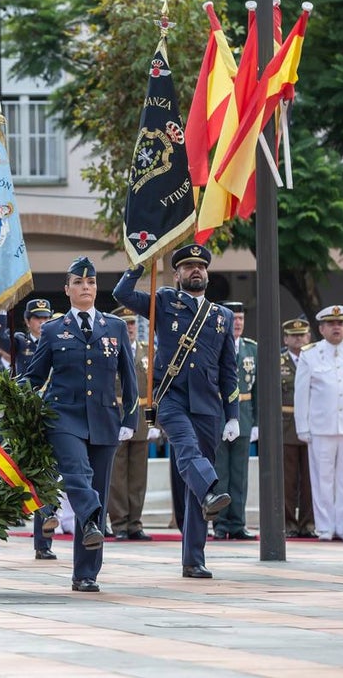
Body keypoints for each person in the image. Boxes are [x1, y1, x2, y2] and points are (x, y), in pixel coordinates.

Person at [114, 244, 235, 579]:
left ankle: (194, 559)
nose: (195, 270)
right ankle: (211, 487)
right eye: (187, 266)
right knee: (187, 450)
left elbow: (229, 371)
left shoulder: (220, 316)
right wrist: (141, 262)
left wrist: (234, 413)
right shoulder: (164, 301)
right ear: (178, 274)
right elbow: (122, 292)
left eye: (200, 266)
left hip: (209, 405)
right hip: (170, 397)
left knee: (194, 483)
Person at [23, 257, 136, 592]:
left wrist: (130, 418)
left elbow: (128, 378)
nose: (85, 288)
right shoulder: (53, 329)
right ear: (67, 289)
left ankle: (85, 574)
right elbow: (35, 376)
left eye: (90, 282)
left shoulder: (114, 326)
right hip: (63, 415)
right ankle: (90, 522)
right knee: (76, 474)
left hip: (104, 418)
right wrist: (8, 396)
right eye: (78, 282)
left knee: (96, 489)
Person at [294, 305, 343, 542]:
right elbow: (301, 393)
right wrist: (302, 426)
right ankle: (325, 527)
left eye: (340, 324)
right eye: (331, 324)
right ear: (321, 328)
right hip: (321, 425)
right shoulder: (310, 353)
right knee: (322, 479)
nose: (336, 328)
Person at [0, 298, 61, 555]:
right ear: (27, 321)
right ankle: (10, 512)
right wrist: (1, 308)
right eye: (37, 319)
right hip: (26, 418)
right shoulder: (22, 342)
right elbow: (2, 338)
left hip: (52, 415)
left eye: (46, 318)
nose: (42, 323)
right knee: (26, 473)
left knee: (49, 476)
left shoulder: (58, 340)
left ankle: (44, 540)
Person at [107, 308, 161, 541]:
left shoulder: (148, 351)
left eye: (132, 324)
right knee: (117, 475)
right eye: (125, 324)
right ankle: (119, 523)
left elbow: (155, 387)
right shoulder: (110, 350)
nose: (129, 328)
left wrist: (155, 421)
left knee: (139, 475)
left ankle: (134, 523)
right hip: (117, 415)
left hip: (141, 416)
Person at [214, 301, 257, 540]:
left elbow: (258, 389)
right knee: (220, 473)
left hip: (245, 416)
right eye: (234, 319)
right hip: (219, 415)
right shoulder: (217, 344)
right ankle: (220, 523)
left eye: (241, 318)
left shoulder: (252, 349)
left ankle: (238, 522)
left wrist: (258, 422)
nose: (238, 323)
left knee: (240, 474)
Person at [280, 318, 316, 538]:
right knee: (288, 480)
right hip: (286, 425)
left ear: (309, 337)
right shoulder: (278, 362)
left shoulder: (316, 360)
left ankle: (308, 523)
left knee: (311, 480)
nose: (298, 339)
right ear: (285, 339)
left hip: (313, 424)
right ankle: (288, 524)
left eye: (302, 335)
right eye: (294, 336)